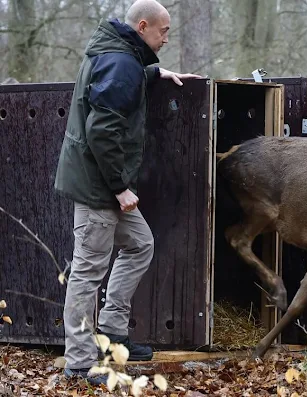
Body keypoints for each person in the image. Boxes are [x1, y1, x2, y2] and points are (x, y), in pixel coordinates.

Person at [53, 0, 201, 385]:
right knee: (87, 272)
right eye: (163, 31)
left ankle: (113, 331)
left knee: (140, 243)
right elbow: (102, 132)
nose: (166, 38)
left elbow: (120, 84)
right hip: (99, 185)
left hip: (104, 182)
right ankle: (81, 362)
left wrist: (154, 72)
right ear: (143, 25)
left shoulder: (124, 58)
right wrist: (119, 188)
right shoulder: (120, 64)